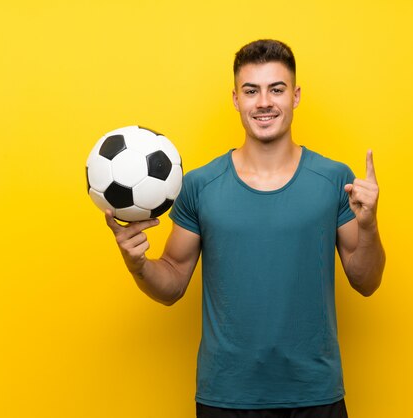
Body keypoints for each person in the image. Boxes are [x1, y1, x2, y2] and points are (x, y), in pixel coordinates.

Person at [104, 39, 386, 418]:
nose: (264, 102)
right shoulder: (200, 185)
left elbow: (366, 282)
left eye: (277, 89)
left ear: (296, 96)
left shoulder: (335, 180)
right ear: (236, 99)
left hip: (315, 396)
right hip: (227, 397)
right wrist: (137, 264)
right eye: (251, 91)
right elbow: (171, 283)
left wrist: (368, 226)